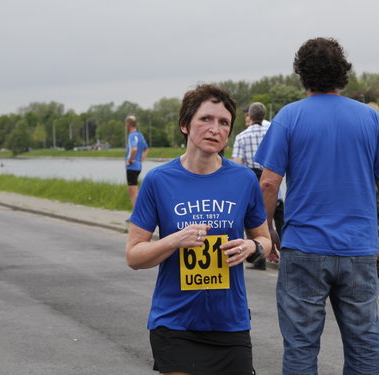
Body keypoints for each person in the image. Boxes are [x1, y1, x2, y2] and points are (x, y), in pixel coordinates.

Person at [126, 84, 271, 375]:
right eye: (206, 119)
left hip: (230, 322)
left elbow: (264, 239)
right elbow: (134, 256)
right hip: (175, 323)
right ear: (185, 124)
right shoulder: (158, 180)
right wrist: (174, 240)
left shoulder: (244, 180)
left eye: (223, 122)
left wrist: (251, 248)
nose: (215, 128)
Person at [255, 37, 379, 374]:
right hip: (359, 247)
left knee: (301, 347)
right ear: (344, 72)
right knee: (366, 346)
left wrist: (267, 231)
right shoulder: (370, 119)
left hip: (304, 247)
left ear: (302, 74)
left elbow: (268, 183)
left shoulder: (289, 117)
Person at [232, 102, 284, 270]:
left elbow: (238, 166)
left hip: (254, 183)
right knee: (281, 223)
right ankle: (288, 259)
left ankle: (259, 260)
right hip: (275, 181)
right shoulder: (273, 131)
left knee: (256, 226)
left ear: (250, 116)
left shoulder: (242, 136)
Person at [125, 115, 149, 209]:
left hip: (132, 166)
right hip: (138, 165)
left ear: (128, 124)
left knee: (134, 192)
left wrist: (130, 160)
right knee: (130, 190)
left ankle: (137, 216)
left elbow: (134, 149)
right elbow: (146, 149)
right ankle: (135, 214)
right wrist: (142, 158)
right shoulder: (140, 135)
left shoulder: (132, 135)